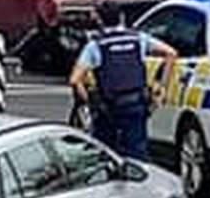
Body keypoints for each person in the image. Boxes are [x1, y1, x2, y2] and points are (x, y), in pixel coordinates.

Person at [69, 23, 175, 161]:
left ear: (99, 20)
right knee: (137, 152)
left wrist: (90, 102)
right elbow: (171, 53)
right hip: (135, 104)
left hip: (108, 108)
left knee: (105, 153)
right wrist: (161, 86)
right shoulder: (138, 38)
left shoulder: (96, 45)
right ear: (121, 18)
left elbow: (75, 80)